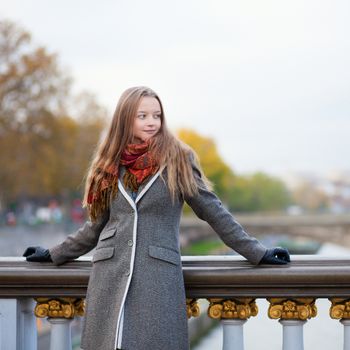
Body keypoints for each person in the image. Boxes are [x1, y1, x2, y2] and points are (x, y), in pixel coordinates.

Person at [23, 86, 290, 350]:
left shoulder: (178, 159)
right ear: (125, 118)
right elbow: (95, 227)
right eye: (143, 116)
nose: (152, 122)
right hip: (109, 280)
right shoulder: (108, 163)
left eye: (157, 115)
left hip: (157, 282)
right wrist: (54, 253)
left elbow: (212, 210)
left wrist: (257, 251)